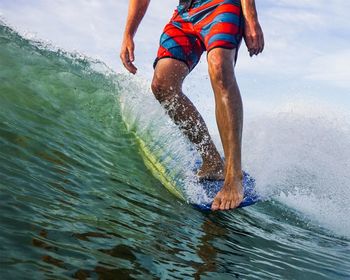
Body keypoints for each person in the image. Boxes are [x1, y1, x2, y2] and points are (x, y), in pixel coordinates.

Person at [120, 0, 264, 211]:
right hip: (185, 13)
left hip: (221, 5)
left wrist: (251, 18)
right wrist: (128, 34)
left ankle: (234, 177)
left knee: (219, 66)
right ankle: (212, 160)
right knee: (162, 84)